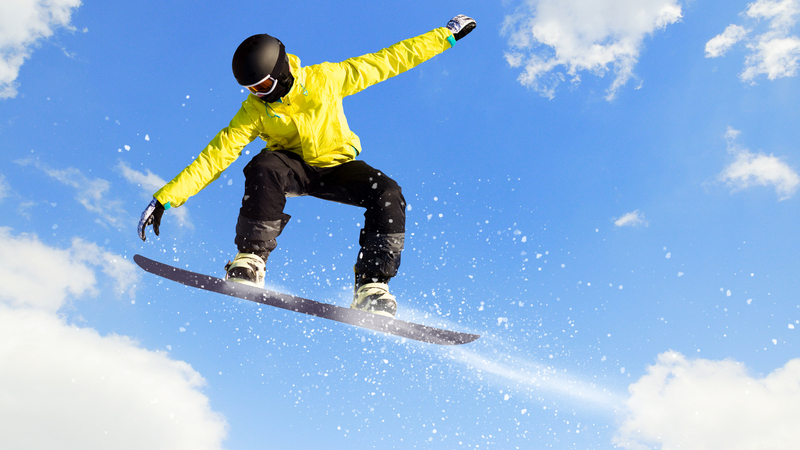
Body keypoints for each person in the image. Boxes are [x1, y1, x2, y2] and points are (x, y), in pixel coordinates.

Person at [138, 15, 476, 318]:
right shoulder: (254, 110)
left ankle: (371, 287)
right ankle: (251, 259)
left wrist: (444, 36)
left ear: (281, 72)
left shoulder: (327, 78)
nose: (259, 95)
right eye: (252, 90)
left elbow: (389, 60)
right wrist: (166, 197)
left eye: (264, 86)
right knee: (263, 165)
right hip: (291, 168)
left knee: (388, 192)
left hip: (337, 167)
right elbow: (217, 154)